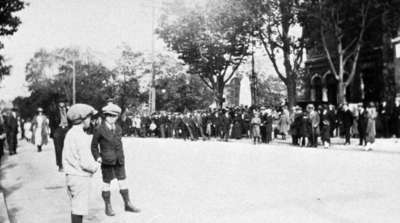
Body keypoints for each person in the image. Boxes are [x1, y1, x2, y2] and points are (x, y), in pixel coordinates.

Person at [91, 103, 140, 216]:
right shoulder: (99, 129)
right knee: (106, 183)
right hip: (107, 160)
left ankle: (127, 203)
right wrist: (98, 157)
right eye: (109, 116)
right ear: (105, 116)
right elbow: (93, 146)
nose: (112, 118)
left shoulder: (118, 128)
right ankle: (108, 206)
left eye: (114, 116)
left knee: (123, 181)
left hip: (119, 160)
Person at [62, 103, 100, 223]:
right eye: (89, 117)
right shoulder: (80, 136)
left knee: (75, 208)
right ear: (82, 119)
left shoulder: (70, 133)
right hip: (80, 177)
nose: (90, 120)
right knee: (79, 210)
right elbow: (85, 162)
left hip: (71, 176)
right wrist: (97, 164)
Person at [49, 99, 70, 172]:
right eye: (60, 102)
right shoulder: (54, 111)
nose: (62, 104)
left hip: (67, 129)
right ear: (58, 103)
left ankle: (70, 164)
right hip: (58, 129)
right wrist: (53, 133)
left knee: (69, 147)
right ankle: (60, 165)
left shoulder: (68, 110)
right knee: (58, 148)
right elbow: (51, 123)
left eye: (63, 102)